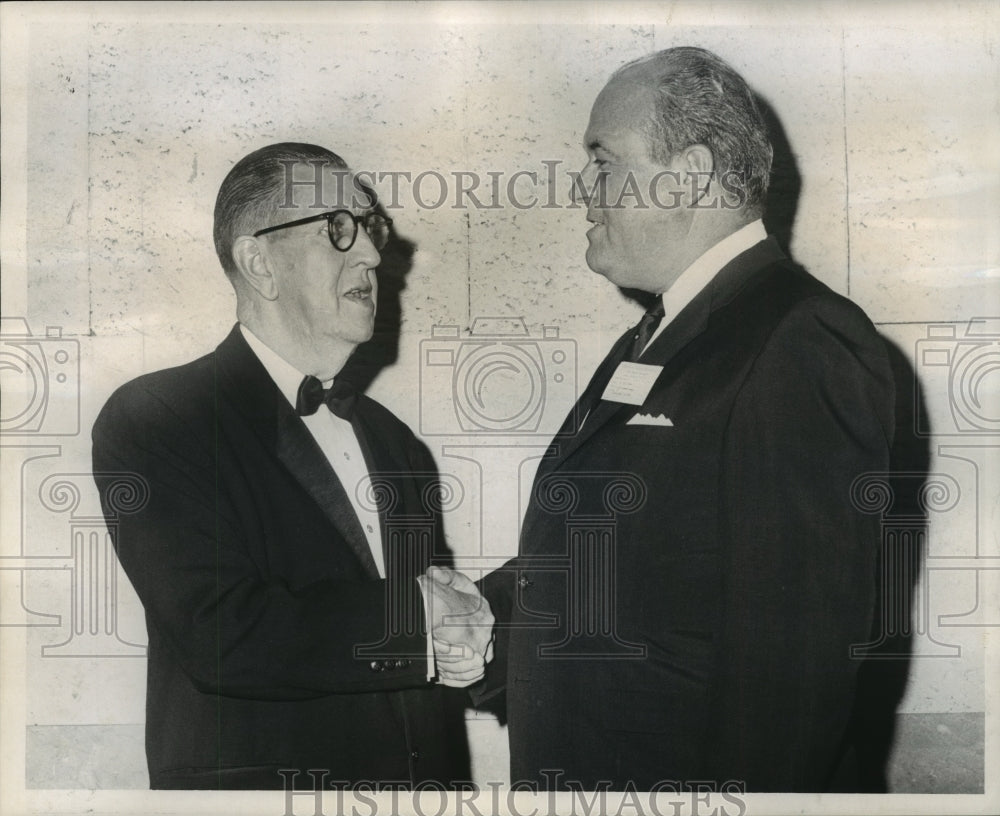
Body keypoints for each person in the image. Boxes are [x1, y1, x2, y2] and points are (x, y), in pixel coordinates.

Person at [456, 47, 895, 792]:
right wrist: (483, 616)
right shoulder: (665, 334)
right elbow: (629, 569)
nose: (582, 192)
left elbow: (791, 684)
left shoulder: (800, 336)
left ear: (688, 174)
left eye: (603, 162)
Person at [91, 142, 492, 790]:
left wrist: (461, 645)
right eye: (339, 228)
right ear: (260, 263)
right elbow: (222, 633)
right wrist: (420, 622)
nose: (369, 252)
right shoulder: (160, 419)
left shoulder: (398, 445)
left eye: (370, 228)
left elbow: (421, 647)